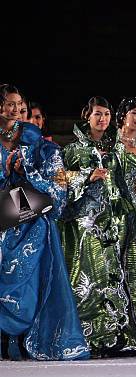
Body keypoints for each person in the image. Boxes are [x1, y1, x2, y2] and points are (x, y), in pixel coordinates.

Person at [61, 96, 136, 358]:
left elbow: (130, 177)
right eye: (98, 114)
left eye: (106, 114)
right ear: (87, 116)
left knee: (115, 276)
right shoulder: (74, 150)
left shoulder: (116, 148)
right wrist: (87, 175)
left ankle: (115, 336)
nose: (102, 119)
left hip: (113, 223)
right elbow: (60, 180)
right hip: (85, 224)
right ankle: (88, 336)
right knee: (89, 278)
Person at [0, 84, 89, 361]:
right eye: (8, 104)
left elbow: (57, 190)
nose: (14, 110)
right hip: (3, 222)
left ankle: (24, 341)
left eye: (18, 105)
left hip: (31, 225)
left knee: (28, 287)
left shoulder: (38, 143)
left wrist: (25, 170)